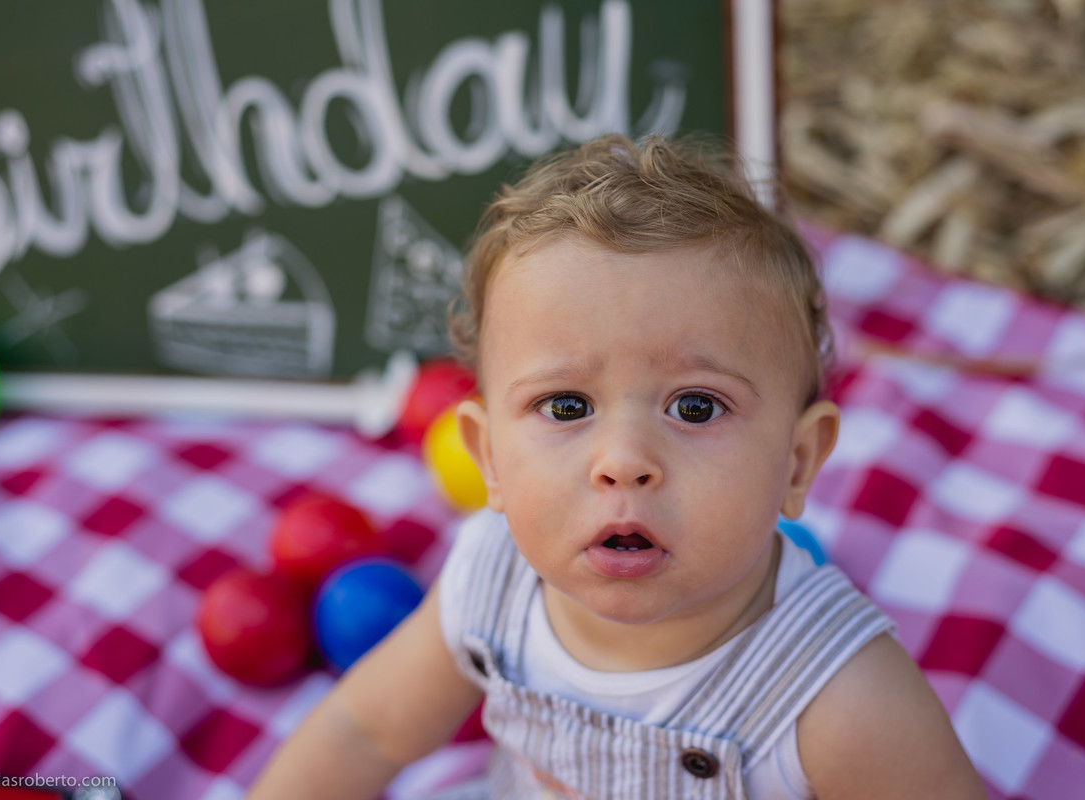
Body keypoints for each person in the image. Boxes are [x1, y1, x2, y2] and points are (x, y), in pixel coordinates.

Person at [246, 134, 987, 799]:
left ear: (797, 462)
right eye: (566, 406)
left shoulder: (837, 692)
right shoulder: (489, 583)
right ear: (489, 459)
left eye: (695, 407)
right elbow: (364, 732)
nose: (625, 461)